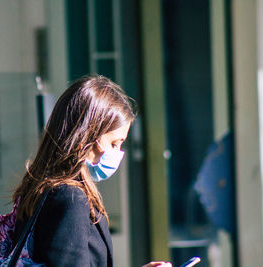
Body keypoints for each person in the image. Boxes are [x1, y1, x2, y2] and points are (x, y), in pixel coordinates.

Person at [12, 75, 171, 267]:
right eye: (114, 143)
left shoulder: (41, 189)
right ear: (86, 136)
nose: (117, 153)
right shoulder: (70, 198)